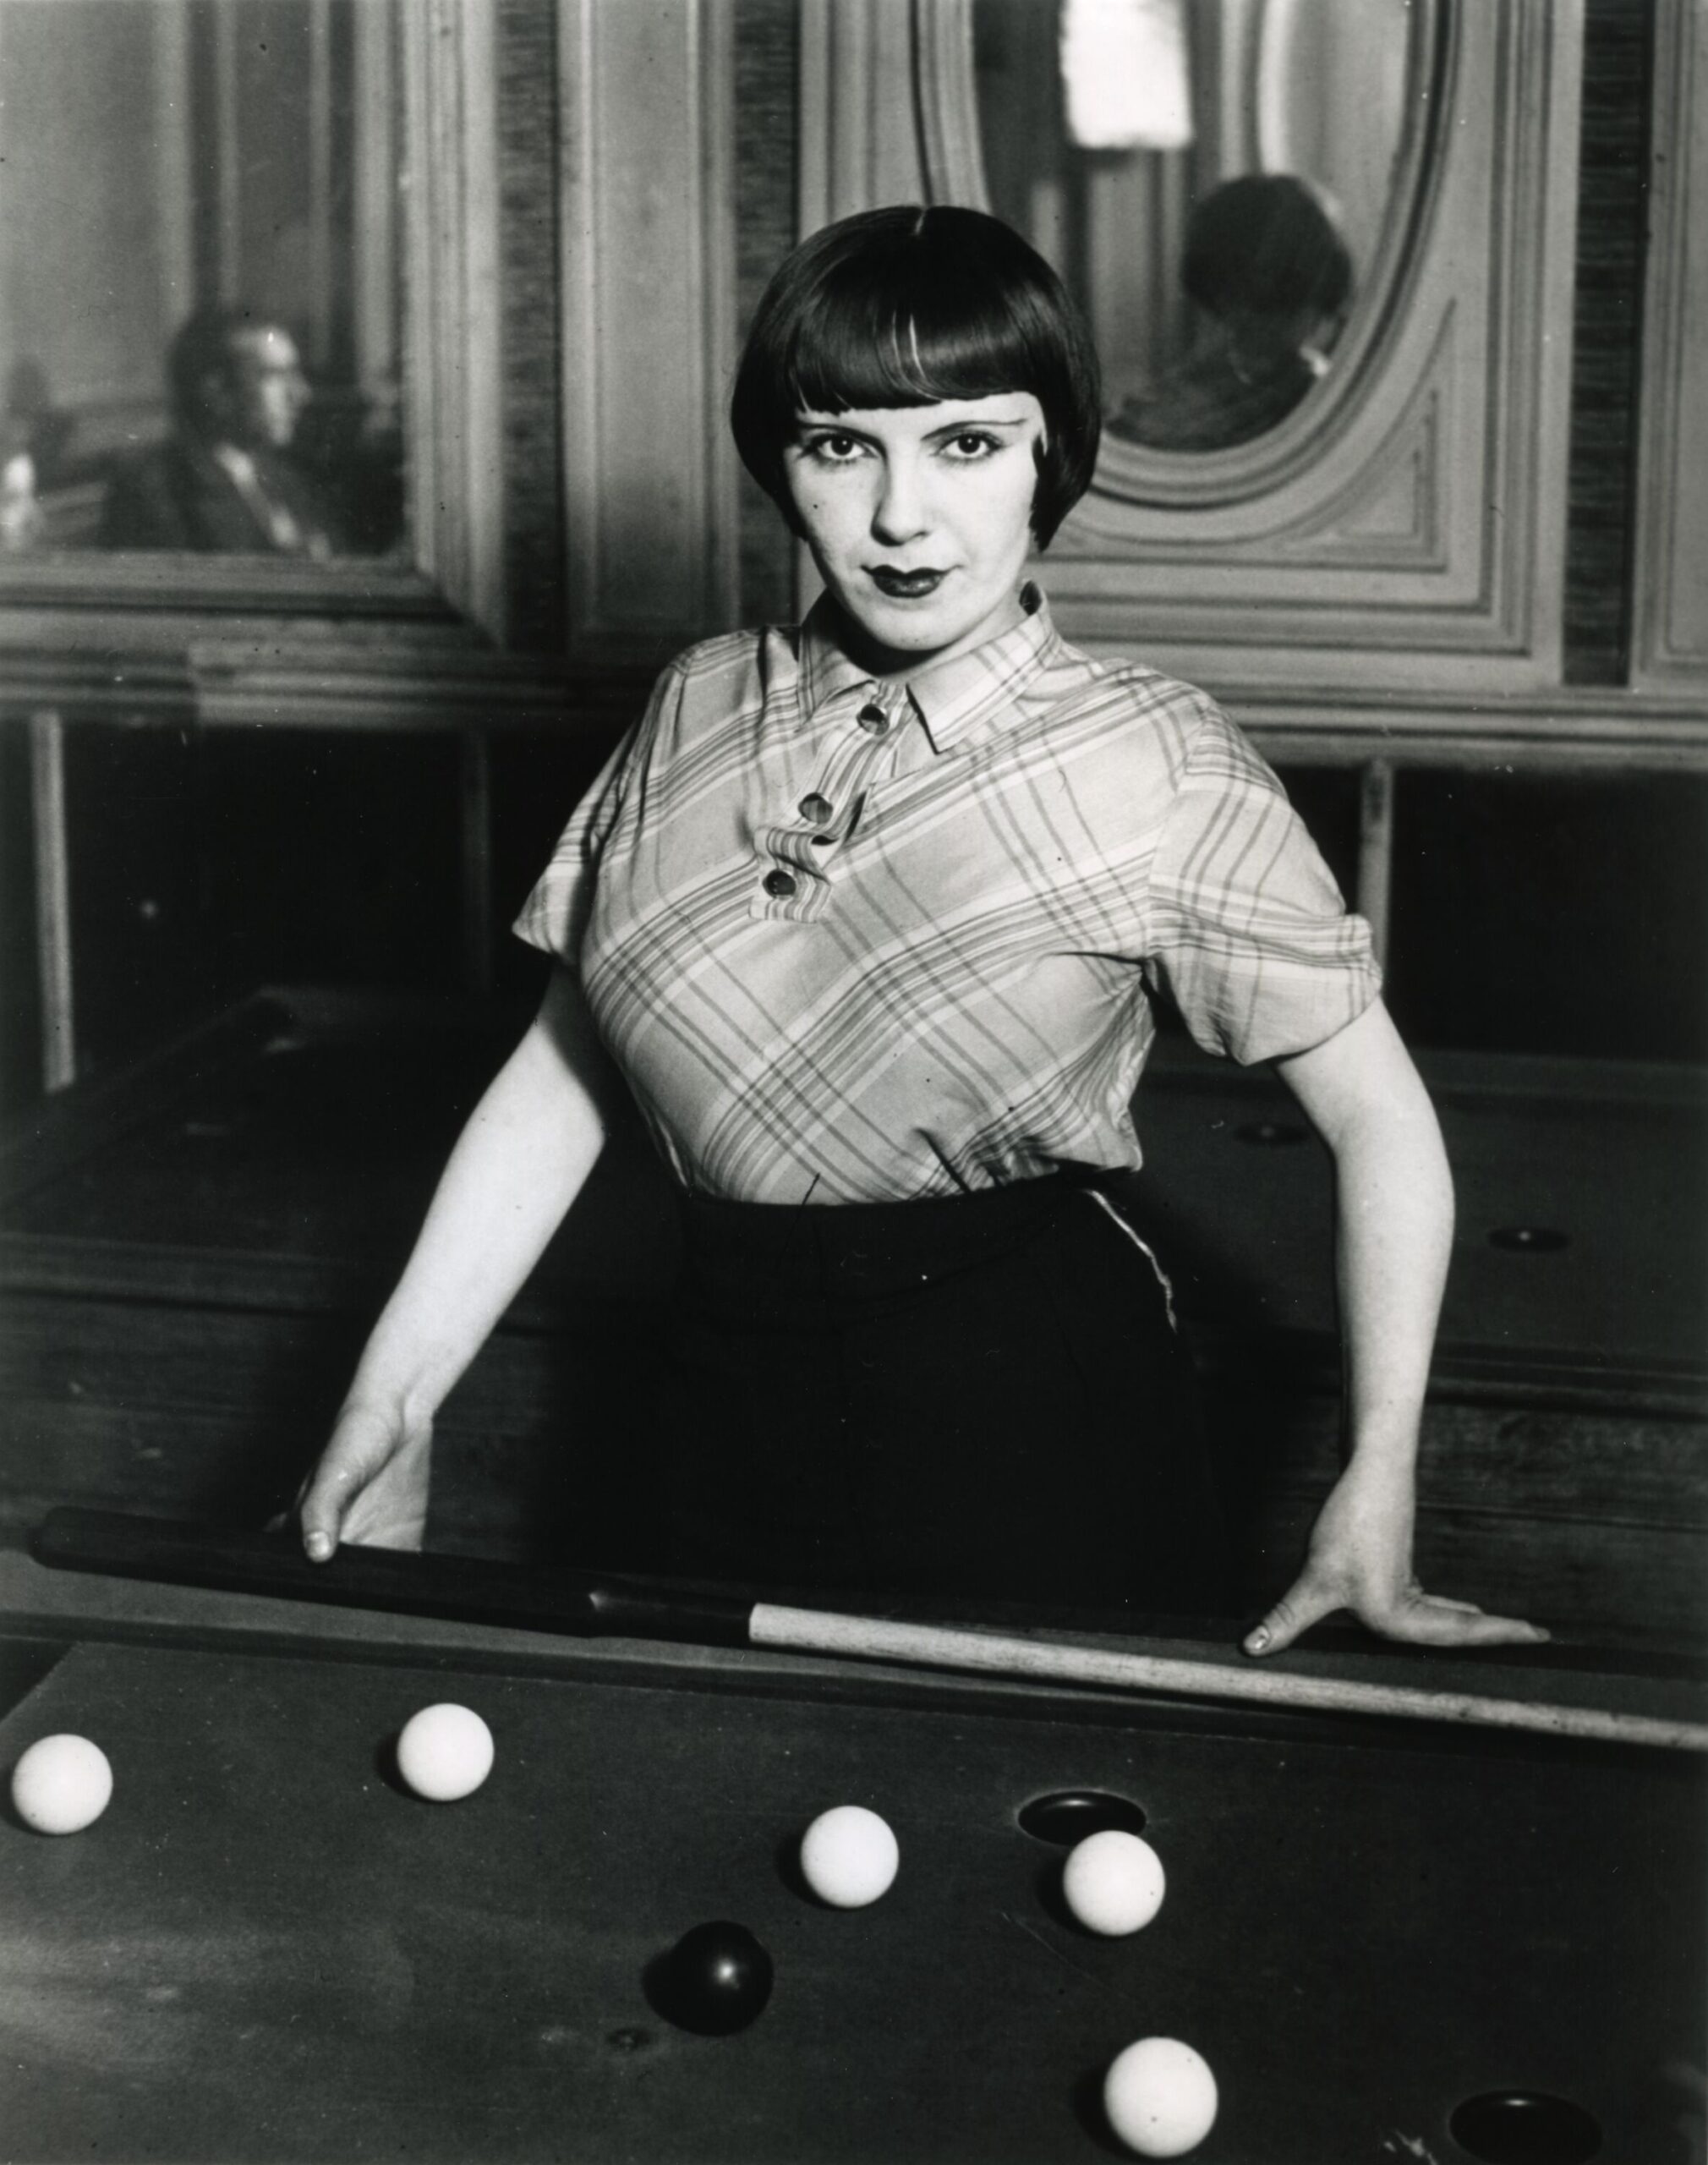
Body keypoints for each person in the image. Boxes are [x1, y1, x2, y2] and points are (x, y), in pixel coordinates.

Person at [293, 204, 1544, 1661]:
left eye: (965, 443)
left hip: (1027, 1423)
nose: (901, 517)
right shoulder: (696, 702)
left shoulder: (1162, 759)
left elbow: (1382, 1120)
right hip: (713, 1406)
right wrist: (395, 1394)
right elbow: (561, 1081)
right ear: (781, 463)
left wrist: (1379, 1476)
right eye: (841, 446)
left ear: (1048, 454)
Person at [1110, 174, 1353, 453]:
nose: (1247, 317)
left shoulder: (1331, 399)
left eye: (1280, 298)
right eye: (1238, 296)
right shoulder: (1168, 407)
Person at [98, 308, 344, 556]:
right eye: (274, 375)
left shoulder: (283, 477)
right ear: (215, 390)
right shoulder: (155, 491)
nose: (301, 393)